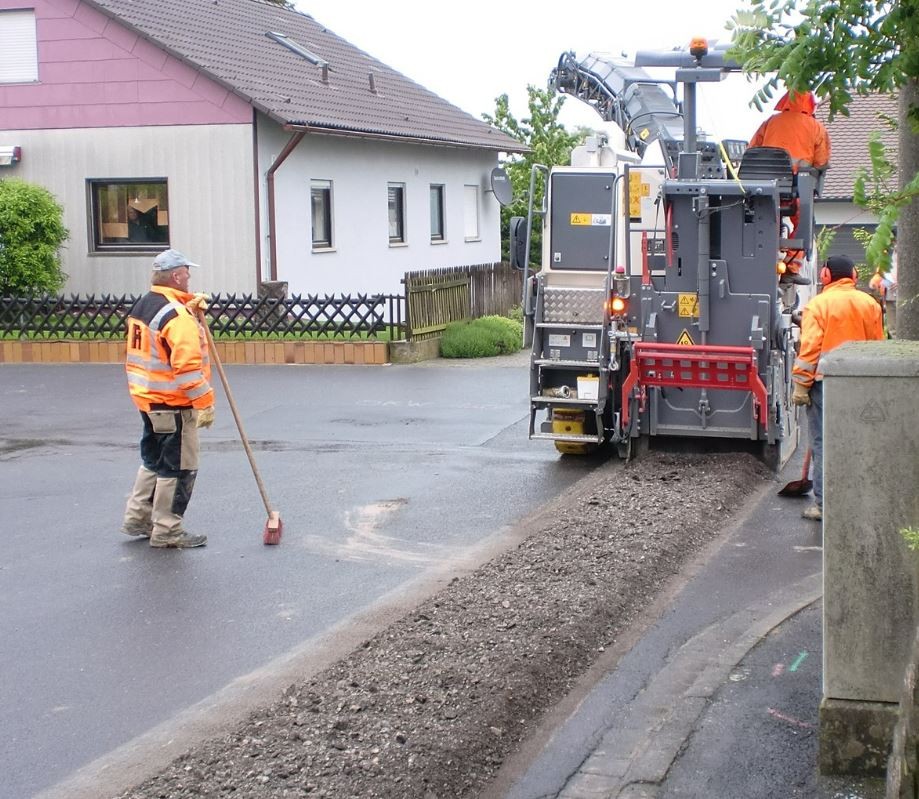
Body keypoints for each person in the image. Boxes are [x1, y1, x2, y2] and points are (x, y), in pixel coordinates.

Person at [122, 248, 215, 548]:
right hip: (173, 404)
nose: (190, 277)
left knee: (153, 461)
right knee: (178, 468)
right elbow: (186, 369)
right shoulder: (177, 317)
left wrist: (191, 307)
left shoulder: (146, 305)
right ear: (176, 276)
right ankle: (167, 530)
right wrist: (204, 403)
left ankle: (138, 517)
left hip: (147, 400)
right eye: (187, 272)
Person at [791, 254, 884, 521]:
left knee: (823, 442)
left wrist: (800, 385)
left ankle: (824, 505)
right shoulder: (870, 304)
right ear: (854, 276)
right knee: (860, 441)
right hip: (860, 383)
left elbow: (809, 351)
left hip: (824, 385)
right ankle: (859, 500)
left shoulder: (817, 306)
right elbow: (877, 344)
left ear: (825, 276)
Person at [749, 89, 831, 285]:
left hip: (765, 189)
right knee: (804, 223)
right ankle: (791, 268)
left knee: (766, 223)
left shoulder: (770, 122)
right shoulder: (815, 127)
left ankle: (761, 263)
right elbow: (822, 162)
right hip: (796, 189)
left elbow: (752, 150)